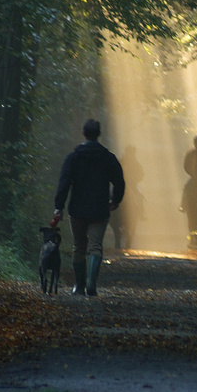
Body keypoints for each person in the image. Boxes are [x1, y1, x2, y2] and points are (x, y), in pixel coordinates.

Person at [53, 119, 125, 296]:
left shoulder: (74, 157)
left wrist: (59, 207)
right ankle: (92, 284)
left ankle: (79, 285)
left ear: (84, 134)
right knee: (95, 247)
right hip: (100, 210)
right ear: (98, 134)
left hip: (77, 210)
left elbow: (64, 183)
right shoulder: (108, 158)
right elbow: (119, 182)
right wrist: (116, 200)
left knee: (79, 247)